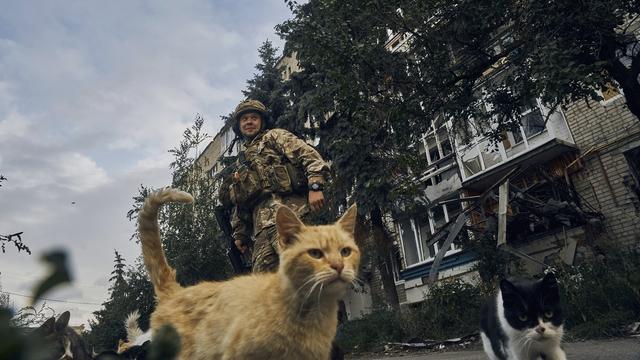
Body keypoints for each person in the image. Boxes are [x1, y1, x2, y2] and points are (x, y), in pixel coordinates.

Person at [226, 99, 329, 273]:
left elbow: (308, 155)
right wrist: (240, 234)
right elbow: (241, 202)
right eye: (244, 119)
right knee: (262, 288)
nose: (249, 122)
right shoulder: (241, 161)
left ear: (262, 121)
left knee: (304, 273)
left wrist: (315, 186)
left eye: (254, 118)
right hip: (262, 231)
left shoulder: (274, 137)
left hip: (291, 218)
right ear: (239, 125)